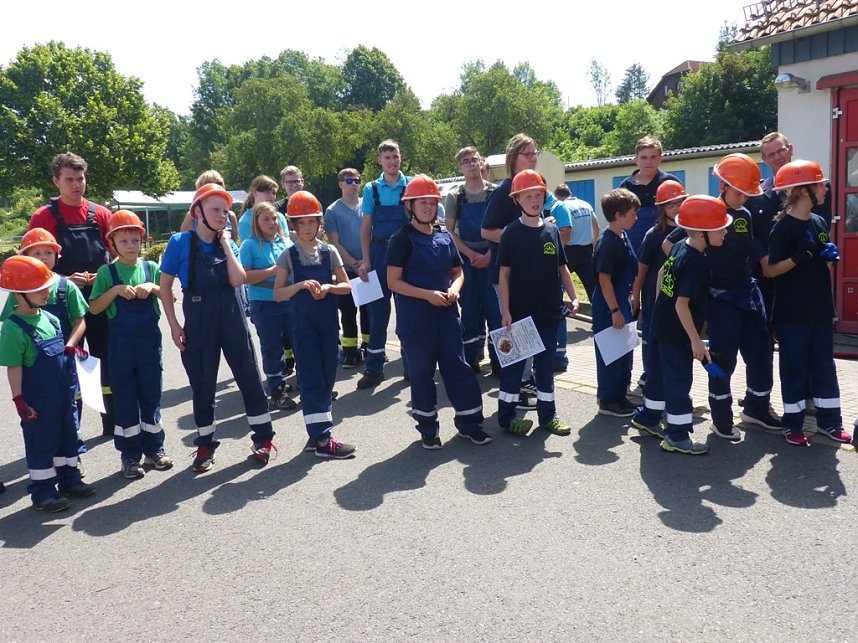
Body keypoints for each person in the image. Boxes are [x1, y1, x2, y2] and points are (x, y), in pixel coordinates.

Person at [159, 184, 277, 472]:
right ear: (197, 212)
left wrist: (225, 243)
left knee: (249, 376)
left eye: (225, 211)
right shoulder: (179, 242)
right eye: (215, 210)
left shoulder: (229, 243)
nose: (223, 216)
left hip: (232, 316)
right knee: (203, 383)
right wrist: (174, 325)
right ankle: (205, 445)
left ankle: (263, 439)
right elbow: (165, 286)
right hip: (199, 319)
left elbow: (238, 280)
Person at [664, 154, 782, 440]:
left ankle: (756, 409)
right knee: (723, 362)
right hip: (719, 301)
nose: (743, 199)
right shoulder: (704, 212)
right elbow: (669, 244)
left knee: (761, 353)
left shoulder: (745, 215)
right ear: (722, 187)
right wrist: (698, 273)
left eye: (747, 194)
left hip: (748, 293)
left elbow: (747, 250)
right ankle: (722, 420)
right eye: (739, 193)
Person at [387, 175, 491, 449]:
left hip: (447, 317)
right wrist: (427, 295)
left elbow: (458, 272)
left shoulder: (445, 236)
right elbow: (393, 282)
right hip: (415, 320)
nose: (428, 207)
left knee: (459, 369)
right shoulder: (401, 239)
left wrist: (455, 288)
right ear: (409, 206)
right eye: (422, 202)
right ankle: (428, 429)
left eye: (432, 202)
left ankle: (470, 424)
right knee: (422, 374)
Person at [631, 196, 732, 454]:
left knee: (657, 376)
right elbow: (682, 305)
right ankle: (676, 435)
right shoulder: (698, 263)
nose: (725, 232)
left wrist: (658, 307)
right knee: (679, 381)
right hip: (678, 333)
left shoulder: (679, 246)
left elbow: (662, 274)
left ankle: (647, 417)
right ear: (700, 232)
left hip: (660, 325)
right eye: (719, 228)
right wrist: (696, 341)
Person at [766, 160, 852, 446]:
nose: (825, 189)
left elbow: (821, 264)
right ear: (803, 190)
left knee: (824, 367)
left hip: (820, 310)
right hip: (792, 315)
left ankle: (831, 423)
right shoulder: (782, 228)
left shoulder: (818, 222)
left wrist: (828, 257)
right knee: (794, 370)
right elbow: (770, 270)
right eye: (819, 185)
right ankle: (793, 425)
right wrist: (797, 258)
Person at [0, 255, 96, 511]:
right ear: (18, 294)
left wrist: (72, 351)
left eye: (46, 286)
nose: (46, 292)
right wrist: (19, 400)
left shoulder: (50, 319)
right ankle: (43, 492)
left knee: (67, 435)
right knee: (42, 443)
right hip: (38, 399)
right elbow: (14, 367)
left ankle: (69, 480)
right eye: (38, 289)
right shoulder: (12, 328)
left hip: (62, 394)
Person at [28, 152, 114, 436]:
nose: (77, 185)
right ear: (56, 181)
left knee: (104, 362)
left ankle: (111, 424)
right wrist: (65, 280)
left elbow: (118, 255)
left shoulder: (101, 214)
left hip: (99, 301)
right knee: (66, 365)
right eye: (69, 180)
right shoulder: (43, 217)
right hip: (60, 304)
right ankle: (70, 431)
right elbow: (33, 265)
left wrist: (104, 275)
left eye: (81, 178)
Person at [89, 211, 171, 478]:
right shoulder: (107, 272)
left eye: (135, 240)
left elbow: (171, 297)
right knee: (125, 401)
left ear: (142, 241)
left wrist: (153, 287)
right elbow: (94, 308)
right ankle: (130, 456)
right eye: (123, 241)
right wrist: (114, 291)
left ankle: (155, 451)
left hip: (149, 348)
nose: (130, 245)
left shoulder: (151, 269)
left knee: (151, 397)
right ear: (112, 242)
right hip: (121, 351)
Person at [497, 170, 580, 436]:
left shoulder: (552, 230)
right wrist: (506, 311)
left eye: (538, 195)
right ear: (516, 200)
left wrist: (574, 296)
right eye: (528, 196)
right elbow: (504, 275)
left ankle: (548, 415)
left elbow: (562, 268)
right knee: (513, 369)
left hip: (549, 314)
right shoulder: (511, 233)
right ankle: (507, 418)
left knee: (545, 368)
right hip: (520, 316)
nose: (534, 201)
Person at [274, 191, 356, 459]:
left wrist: (330, 287)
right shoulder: (288, 255)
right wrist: (299, 285)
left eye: (312, 222)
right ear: (294, 226)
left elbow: (347, 286)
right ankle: (322, 438)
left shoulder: (329, 251)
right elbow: (278, 293)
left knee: (328, 376)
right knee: (311, 379)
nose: (307, 228)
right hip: (303, 327)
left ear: (320, 223)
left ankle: (315, 435)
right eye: (302, 223)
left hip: (328, 325)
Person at [2, 229, 88, 448]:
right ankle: (45, 454)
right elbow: (12, 324)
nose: (43, 258)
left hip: (63, 360)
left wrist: (70, 346)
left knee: (70, 403)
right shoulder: (18, 291)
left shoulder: (66, 286)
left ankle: (72, 449)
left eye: (48, 253)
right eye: (36, 253)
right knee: (39, 410)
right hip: (34, 366)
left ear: (57, 256)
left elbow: (80, 321)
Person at [481, 133, 542, 409]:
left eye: (535, 153)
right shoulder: (504, 191)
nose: (532, 158)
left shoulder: (536, 185)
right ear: (512, 158)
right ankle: (516, 386)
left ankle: (524, 380)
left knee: (528, 330)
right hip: (505, 274)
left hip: (530, 274)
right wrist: (517, 237)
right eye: (527, 154)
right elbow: (486, 231)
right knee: (513, 329)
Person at [356, 140, 411, 389]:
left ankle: (411, 365)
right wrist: (366, 260)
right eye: (387, 157)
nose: (392, 161)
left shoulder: (410, 185)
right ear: (379, 160)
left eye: (395, 156)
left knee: (407, 313)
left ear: (400, 158)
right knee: (377, 315)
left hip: (405, 255)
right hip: (378, 254)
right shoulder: (372, 188)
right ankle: (374, 368)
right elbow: (366, 227)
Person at [444, 147, 501, 375]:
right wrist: (469, 253)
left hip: (493, 258)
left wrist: (489, 255)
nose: (471, 164)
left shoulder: (495, 193)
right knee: (469, 312)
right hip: (467, 261)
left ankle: (500, 360)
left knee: (496, 312)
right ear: (460, 167)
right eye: (465, 161)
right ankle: (470, 359)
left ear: (481, 163)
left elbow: (504, 229)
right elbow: (449, 231)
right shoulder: (455, 196)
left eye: (474, 160)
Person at [239, 201, 297, 410]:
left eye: (274, 218)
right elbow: (245, 277)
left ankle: (308, 384)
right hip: (265, 304)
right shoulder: (249, 245)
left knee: (299, 343)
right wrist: (274, 271)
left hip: (290, 300)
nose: (272, 222)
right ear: (256, 222)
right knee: (273, 348)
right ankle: (277, 390)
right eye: (266, 219)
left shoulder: (286, 242)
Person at [632, 180, 685, 385]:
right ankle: (650, 376)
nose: (676, 208)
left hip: (682, 298)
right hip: (655, 298)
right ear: (662, 208)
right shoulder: (654, 235)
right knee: (653, 339)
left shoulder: (690, 231)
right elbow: (641, 270)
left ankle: (672, 377)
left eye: (679, 202)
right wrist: (636, 297)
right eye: (670, 204)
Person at [592, 188, 640, 417]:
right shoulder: (607, 242)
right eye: (632, 213)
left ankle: (620, 395)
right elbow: (604, 279)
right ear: (619, 215)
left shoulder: (622, 236)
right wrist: (615, 310)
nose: (636, 217)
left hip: (623, 301)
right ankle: (608, 400)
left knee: (624, 353)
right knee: (611, 354)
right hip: (609, 305)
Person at [324, 168, 370, 369]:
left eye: (356, 181)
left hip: (367, 266)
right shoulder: (332, 211)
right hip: (347, 270)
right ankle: (350, 352)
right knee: (348, 312)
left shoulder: (367, 205)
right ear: (340, 184)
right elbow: (334, 243)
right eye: (348, 181)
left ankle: (370, 347)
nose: (353, 184)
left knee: (369, 312)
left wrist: (365, 261)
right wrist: (353, 263)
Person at [619, 137, 680, 255]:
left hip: (665, 248)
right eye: (644, 157)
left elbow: (682, 215)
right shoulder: (625, 187)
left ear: (661, 158)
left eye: (653, 157)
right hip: (634, 249)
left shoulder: (670, 182)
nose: (648, 162)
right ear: (636, 159)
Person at [237, 175, 289, 243]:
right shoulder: (245, 221)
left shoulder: (280, 217)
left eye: (273, 193)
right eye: (267, 192)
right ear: (254, 192)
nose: (271, 196)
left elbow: (287, 243)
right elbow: (249, 247)